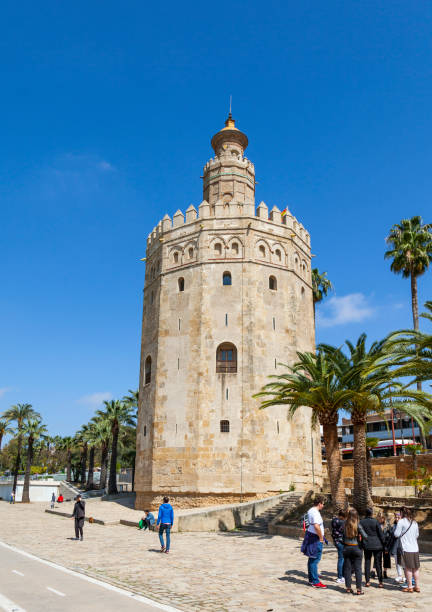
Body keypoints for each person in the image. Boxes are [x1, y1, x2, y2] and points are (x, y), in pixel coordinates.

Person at [393, 506, 420, 593]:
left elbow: (396, 534)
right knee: (415, 568)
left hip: (406, 548)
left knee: (408, 568)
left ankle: (410, 586)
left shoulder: (401, 522)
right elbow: (417, 535)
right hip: (415, 548)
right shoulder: (414, 522)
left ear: (402, 513)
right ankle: (417, 586)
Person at [302, 496, 327, 588]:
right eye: (323, 504)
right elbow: (316, 526)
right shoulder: (315, 513)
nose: (323, 506)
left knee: (311, 559)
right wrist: (321, 538)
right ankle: (315, 581)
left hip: (311, 536)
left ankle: (312, 578)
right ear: (319, 503)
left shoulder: (310, 510)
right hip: (315, 538)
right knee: (315, 560)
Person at [342, 508, 367, 595]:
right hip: (356, 548)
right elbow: (365, 536)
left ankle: (348, 588)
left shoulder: (344, 524)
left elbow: (341, 537)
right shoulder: (358, 525)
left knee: (347, 569)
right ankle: (359, 589)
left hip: (347, 547)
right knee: (358, 569)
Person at [360, 507, 385, 587]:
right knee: (378, 563)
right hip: (377, 545)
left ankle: (367, 581)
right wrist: (384, 543)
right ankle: (380, 582)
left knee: (367, 562)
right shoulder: (375, 522)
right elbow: (381, 534)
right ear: (372, 513)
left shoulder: (362, 522)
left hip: (367, 544)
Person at [331, 509, 346, 583]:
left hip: (336, 541)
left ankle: (341, 576)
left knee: (341, 559)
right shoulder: (343, 522)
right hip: (341, 542)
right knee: (341, 559)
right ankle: (340, 577)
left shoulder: (334, 520)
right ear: (342, 516)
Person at [390, 512, 404, 582]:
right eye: (396, 517)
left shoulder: (404, 525)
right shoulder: (394, 526)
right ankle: (400, 575)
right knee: (397, 562)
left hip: (403, 546)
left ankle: (406, 576)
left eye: (398, 517)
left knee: (404, 562)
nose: (397, 519)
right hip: (396, 545)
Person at [377, 512, 391, 579]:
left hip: (386, 544)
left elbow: (390, 535)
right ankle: (379, 572)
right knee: (378, 559)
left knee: (386, 559)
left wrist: (388, 544)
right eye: (379, 517)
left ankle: (385, 572)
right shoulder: (377, 524)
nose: (380, 519)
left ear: (384, 518)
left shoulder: (388, 525)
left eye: (382, 517)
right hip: (378, 544)